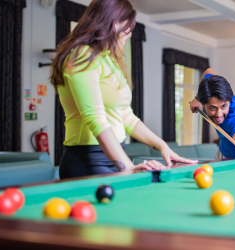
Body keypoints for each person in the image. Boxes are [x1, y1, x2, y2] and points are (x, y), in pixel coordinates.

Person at [49, 0, 196, 179]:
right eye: (128, 27)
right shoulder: (81, 55)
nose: (130, 33)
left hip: (114, 157)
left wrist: (162, 146)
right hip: (88, 160)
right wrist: (128, 166)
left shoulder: (109, 60)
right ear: (114, 24)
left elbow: (127, 117)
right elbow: (95, 119)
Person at [189, 69, 235, 163]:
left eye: (224, 106)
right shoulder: (210, 87)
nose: (219, 114)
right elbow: (209, 71)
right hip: (224, 149)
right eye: (213, 108)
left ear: (229, 100)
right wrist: (197, 98)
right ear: (204, 104)